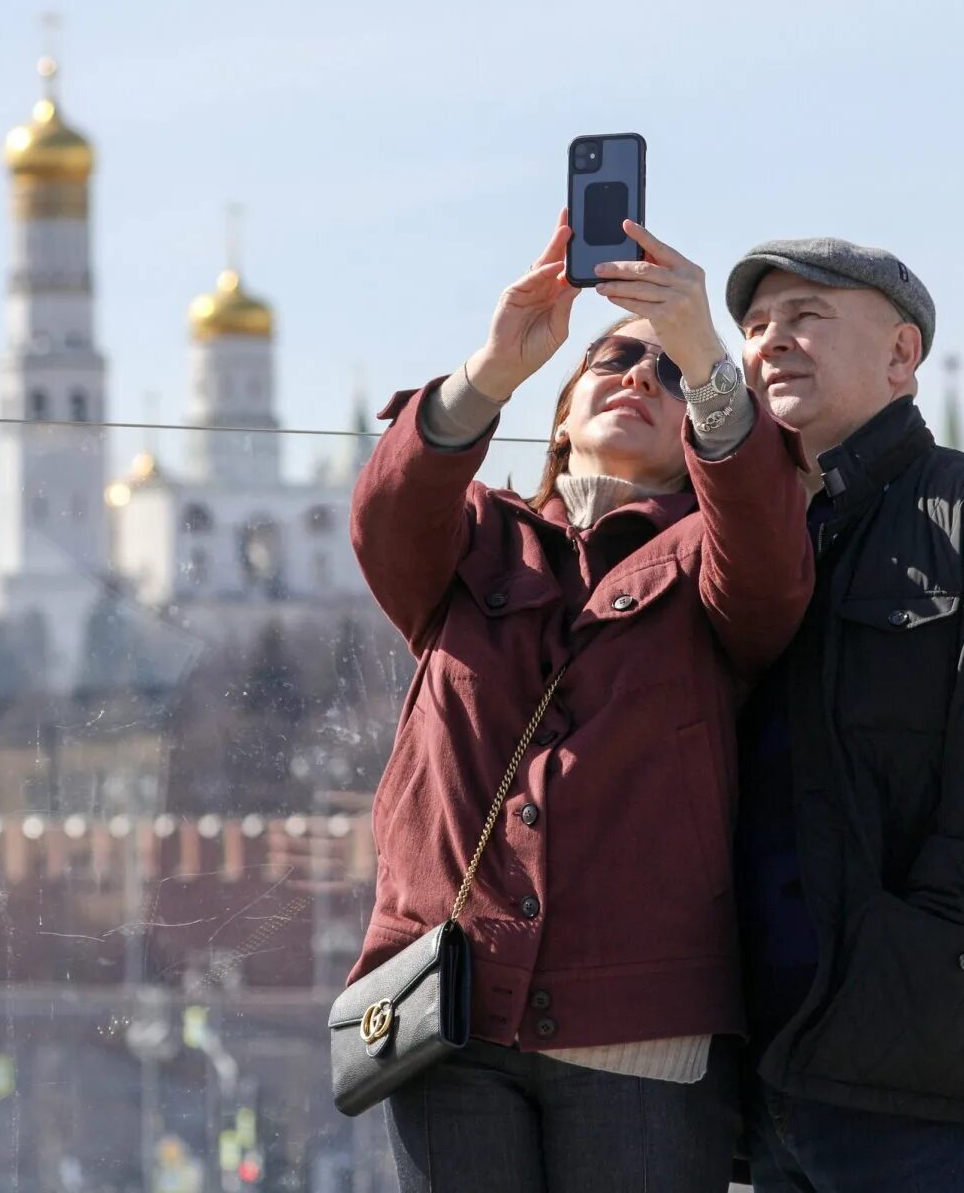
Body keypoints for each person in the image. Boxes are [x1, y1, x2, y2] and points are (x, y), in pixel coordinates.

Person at [345, 213, 813, 1192]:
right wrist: (494, 367)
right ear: (557, 416)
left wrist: (706, 354)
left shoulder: (715, 558)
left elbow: (769, 563)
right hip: (449, 1011)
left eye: (668, 375)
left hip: (639, 1031)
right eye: (613, 361)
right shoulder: (473, 541)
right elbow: (387, 515)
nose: (641, 377)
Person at [718, 238, 964, 1192]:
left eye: (807, 316)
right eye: (756, 327)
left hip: (922, 1075)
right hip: (757, 1059)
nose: (773, 345)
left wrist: (909, 984)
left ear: (901, 357)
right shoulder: (725, 543)